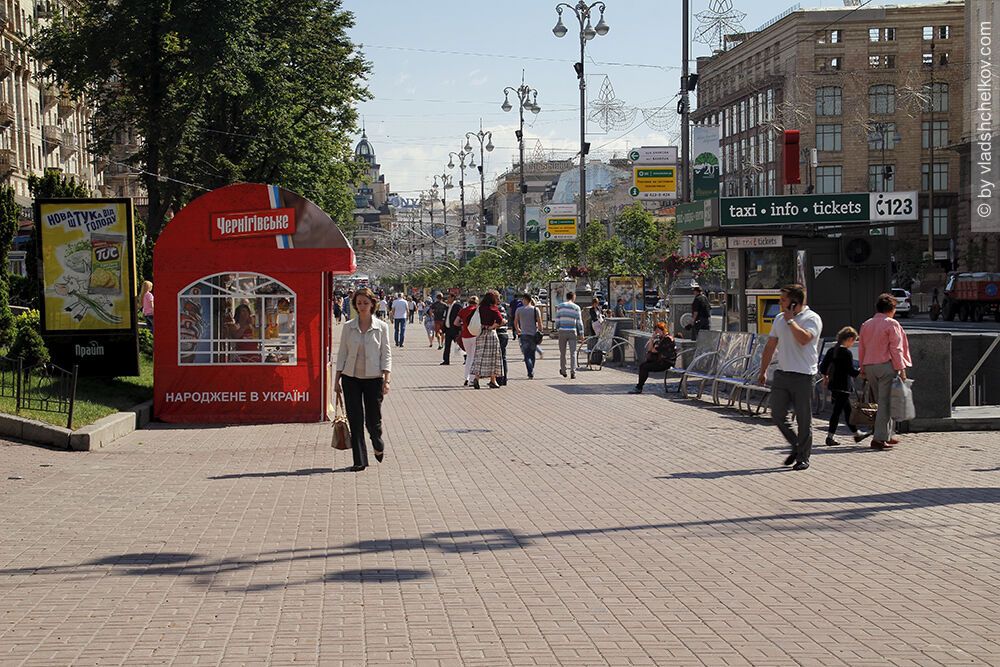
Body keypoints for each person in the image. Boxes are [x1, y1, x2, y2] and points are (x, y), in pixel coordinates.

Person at [757, 284, 823, 471]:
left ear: (795, 302)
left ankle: (803, 457)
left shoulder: (812, 318)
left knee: (803, 419)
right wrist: (763, 370)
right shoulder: (779, 319)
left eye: (783, 300)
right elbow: (770, 346)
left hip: (803, 375)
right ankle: (796, 445)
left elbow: (804, 339)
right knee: (777, 414)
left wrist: (791, 321)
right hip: (782, 373)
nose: (780, 303)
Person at [335, 287, 392, 472]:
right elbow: (342, 353)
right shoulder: (348, 327)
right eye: (359, 303)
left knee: (373, 420)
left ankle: (377, 441)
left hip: (373, 378)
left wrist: (387, 378)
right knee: (355, 418)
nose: (362, 306)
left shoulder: (382, 327)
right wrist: (336, 380)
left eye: (365, 303)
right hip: (351, 378)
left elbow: (386, 353)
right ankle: (359, 460)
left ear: (372, 304)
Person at [858, 293, 912, 450]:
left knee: (882, 402)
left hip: (870, 366)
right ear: (892, 309)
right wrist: (901, 369)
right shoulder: (892, 324)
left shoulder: (866, 324)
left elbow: (862, 348)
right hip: (886, 366)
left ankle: (887, 434)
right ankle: (879, 438)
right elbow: (896, 349)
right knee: (885, 404)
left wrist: (862, 368)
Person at [820, 326, 866, 446]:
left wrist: (826, 377)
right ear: (849, 339)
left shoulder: (832, 350)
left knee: (847, 411)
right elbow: (851, 371)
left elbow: (823, 367)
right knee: (837, 412)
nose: (853, 343)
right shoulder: (846, 353)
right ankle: (830, 437)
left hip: (834, 385)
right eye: (853, 340)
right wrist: (861, 372)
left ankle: (857, 434)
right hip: (844, 386)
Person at [628, 322, 676, 394]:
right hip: (659, 361)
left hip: (666, 362)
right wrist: (652, 339)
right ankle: (639, 387)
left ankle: (639, 387)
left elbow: (653, 350)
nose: (656, 332)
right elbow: (650, 349)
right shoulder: (660, 339)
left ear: (663, 330)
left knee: (644, 367)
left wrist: (653, 343)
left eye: (658, 330)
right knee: (643, 365)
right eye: (655, 331)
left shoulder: (667, 339)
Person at [470, 290, 504, 389]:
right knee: (493, 357)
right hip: (490, 334)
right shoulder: (493, 309)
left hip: (480, 334)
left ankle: (476, 377)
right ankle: (493, 380)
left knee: (479, 357)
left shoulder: (479, 308)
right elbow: (500, 321)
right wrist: (492, 326)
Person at [555, 291, 584, 379]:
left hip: (562, 331)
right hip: (572, 331)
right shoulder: (576, 307)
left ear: (566, 297)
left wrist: (557, 328)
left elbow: (557, 320)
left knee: (562, 352)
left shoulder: (560, 307)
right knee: (573, 352)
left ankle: (563, 370)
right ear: (573, 297)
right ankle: (573, 372)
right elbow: (579, 322)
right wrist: (581, 333)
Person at [514, 294, 541, 379]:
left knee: (526, 354)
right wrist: (540, 331)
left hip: (524, 334)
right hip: (533, 334)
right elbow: (540, 322)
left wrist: (518, 329)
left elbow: (515, 321)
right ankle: (531, 369)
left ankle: (530, 371)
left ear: (525, 300)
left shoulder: (519, 310)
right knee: (532, 354)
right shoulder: (535, 309)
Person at [458, 295, 480, 386]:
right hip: (475, 335)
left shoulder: (463, 311)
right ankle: (471, 379)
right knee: (474, 357)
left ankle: (466, 377)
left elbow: (456, 322)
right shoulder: (477, 311)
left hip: (465, 336)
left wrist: (463, 325)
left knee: (469, 356)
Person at [441, 293, 463, 365]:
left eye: (449, 298)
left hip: (455, 329)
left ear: (453, 298)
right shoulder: (448, 307)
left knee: (459, 344)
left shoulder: (457, 306)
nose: (447, 299)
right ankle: (446, 360)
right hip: (448, 329)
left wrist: (460, 328)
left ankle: (466, 358)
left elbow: (461, 317)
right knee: (447, 345)